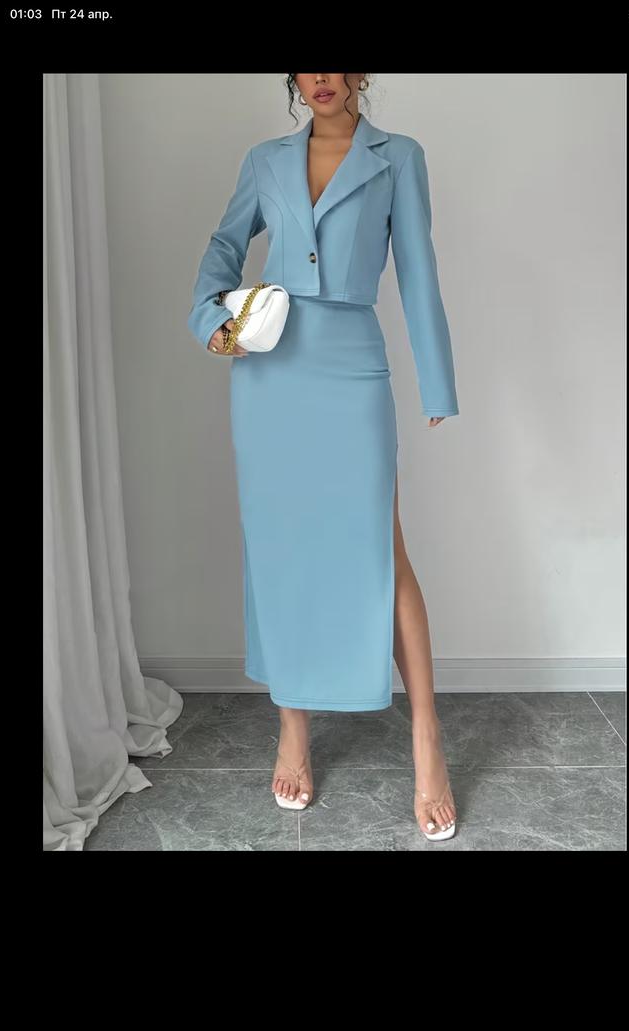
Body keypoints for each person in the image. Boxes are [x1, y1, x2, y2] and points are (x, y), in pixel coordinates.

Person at [187, 73, 460, 841]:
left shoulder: (398, 156)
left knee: (384, 553)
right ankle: (293, 731)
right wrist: (212, 321)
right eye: (307, 68)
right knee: (283, 554)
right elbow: (223, 246)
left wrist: (437, 380)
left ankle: (427, 738)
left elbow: (417, 269)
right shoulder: (264, 160)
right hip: (271, 370)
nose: (322, 80)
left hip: (350, 364)